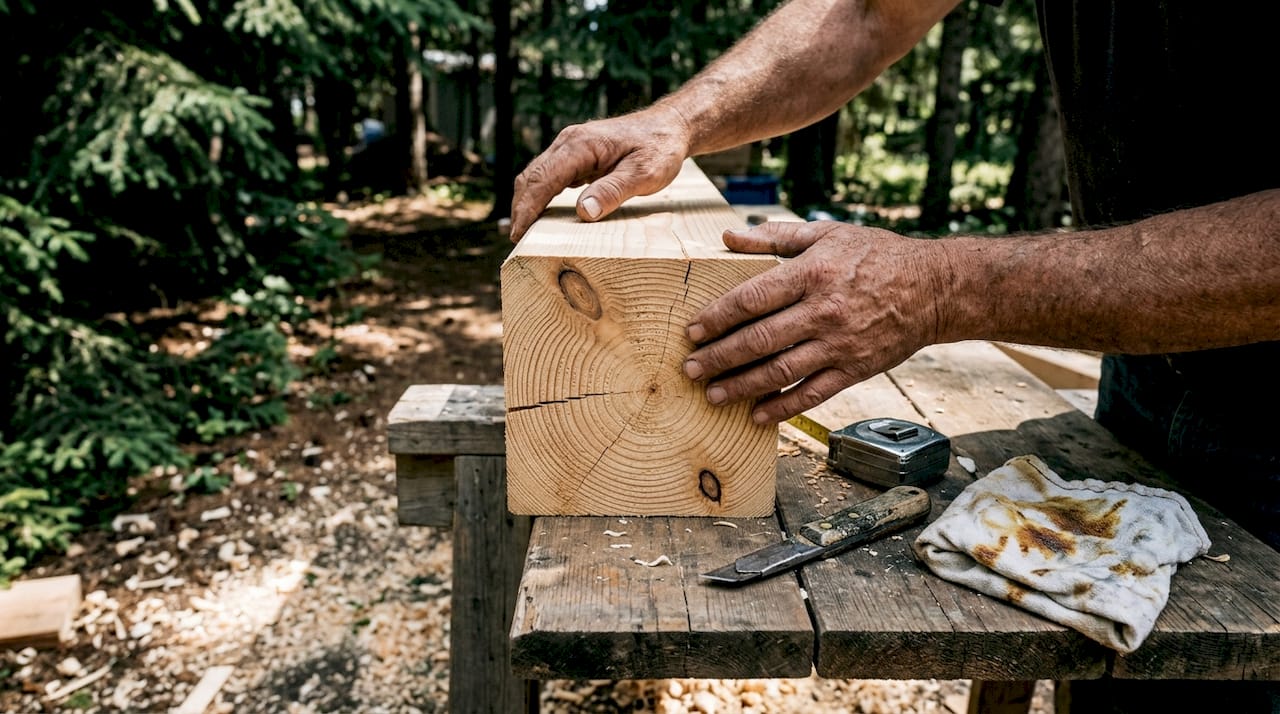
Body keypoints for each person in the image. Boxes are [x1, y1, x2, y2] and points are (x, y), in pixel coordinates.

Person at [512, 3, 1279, 705]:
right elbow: (867, 11)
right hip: (1144, 368)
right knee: (1117, 668)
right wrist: (678, 119)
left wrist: (945, 288)